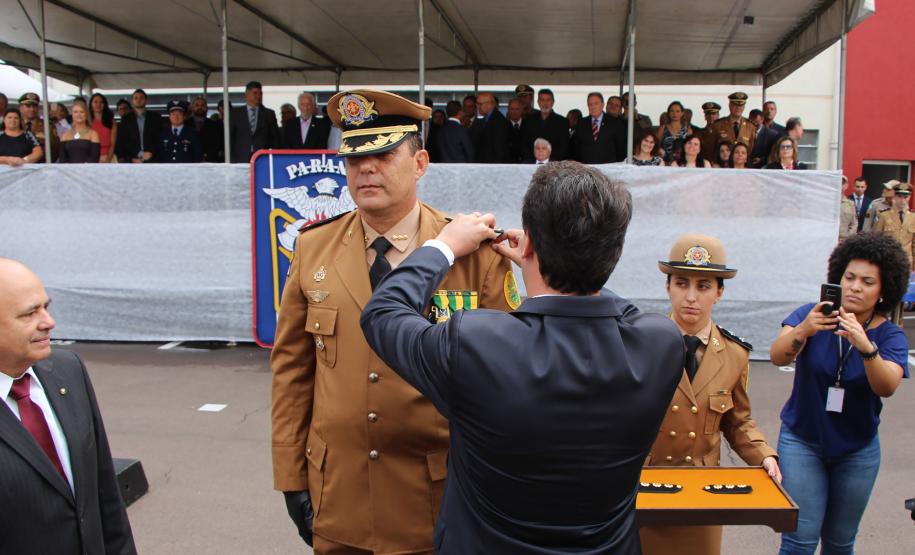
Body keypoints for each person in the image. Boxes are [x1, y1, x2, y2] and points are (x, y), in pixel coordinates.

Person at [360, 161, 685, 553]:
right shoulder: (661, 345)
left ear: (529, 243)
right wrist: (563, 265)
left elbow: (383, 313)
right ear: (613, 251)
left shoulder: (478, 346)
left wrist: (443, 246)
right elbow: (617, 308)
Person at [271, 89, 514, 554]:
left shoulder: (473, 253)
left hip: (437, 498)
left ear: (420, 162)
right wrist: (290, 475)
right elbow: (292, 372)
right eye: (353, 158)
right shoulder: (311, 249)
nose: (365, 168)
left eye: (382, 154)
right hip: (338, 497)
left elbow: (507, 381)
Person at [769, 232, 909, 555]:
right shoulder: (813, 314)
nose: (855, 287)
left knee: (839, 543)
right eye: (850, 277)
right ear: (838, 277)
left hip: (857, 452)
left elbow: (886, 386)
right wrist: (805, 329)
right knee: (798, 542)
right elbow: (778, 356)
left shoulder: (889, 336)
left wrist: (866, 348)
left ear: (883, 289)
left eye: (867, 281)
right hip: (803, 441)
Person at [641, 234, 780, 555]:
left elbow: (738, 422)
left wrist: (765, 456)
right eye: (681, 283)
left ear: (719, 292)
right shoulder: (641, 343)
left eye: (703, 286)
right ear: (667, 287)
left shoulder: (734, 355)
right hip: (648, 485)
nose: (691, 296)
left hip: (702, 491)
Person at [0, 258, 137, 555]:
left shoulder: (68, 370)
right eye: (29, 314)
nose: (48, 321)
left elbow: (106, 498)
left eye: (46, 306)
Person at [229, 81, 280, 162]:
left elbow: (275, 138)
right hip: (240, 158)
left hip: (262, 157)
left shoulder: (269, 114)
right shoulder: (235, 114)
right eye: (255, 93)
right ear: (247, 94)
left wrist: (272, 156)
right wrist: (231, 158)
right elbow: (230, 137)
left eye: (260, 93)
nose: (258, 96)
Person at [873, 182, 915, 269]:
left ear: (909, 197)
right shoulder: (884, 216)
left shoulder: (913, 217)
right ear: (895, 196)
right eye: (899, 196)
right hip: (888, 260)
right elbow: (876, 239)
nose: (902, 200)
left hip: (906, 262)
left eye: (905, 197)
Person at [573, 91, 623, 164]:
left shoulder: (615, 123)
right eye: (590, 104)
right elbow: (576, 148)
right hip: (586, 168)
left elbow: (621, 149)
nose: (593, 107)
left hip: (608, 169)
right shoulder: (581, 123)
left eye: (596, 103)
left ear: (602, 104)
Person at [521, 88, 569, 161]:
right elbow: (523, 144)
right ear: (538, 102)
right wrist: (534, 160)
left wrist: (548, 161)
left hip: (553, 165)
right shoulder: (528, 120)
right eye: (542, 100)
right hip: (531, 163)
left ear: (553, 102)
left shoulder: (562, 122)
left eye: (548, 100)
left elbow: (564, 147)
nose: (545, 103)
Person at [115, 89, 161, 163]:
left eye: (141, 98)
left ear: (146, 100)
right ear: (132, 101)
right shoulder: (126, 119)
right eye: (136, 98)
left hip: (152, 158)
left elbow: (159, 138)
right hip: (133, 159)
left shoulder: (156, 118)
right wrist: (138, 154)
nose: (138, 100)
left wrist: (150, 153)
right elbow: (123, 141)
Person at [469, 92, 511, 163]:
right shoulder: (487, 119)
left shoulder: (499, 121)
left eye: (480, 104)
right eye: (477, 104)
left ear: (490, 104)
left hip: (493, 166)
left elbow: (500, 150)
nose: (477, 107)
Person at [18, 92, 59, 162]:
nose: (32, 109)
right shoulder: (15, 124)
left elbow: (56, 150)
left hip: (41, 166)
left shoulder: (47, 126)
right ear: (21, 108)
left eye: (34, 106)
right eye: (28, 106)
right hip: (18, 165)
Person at [711, 92, 755, 156]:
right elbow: (712, 149)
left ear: (744, 107)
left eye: (741, 105)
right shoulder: (718, 125)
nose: (738, 108)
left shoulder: (750, 126)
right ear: (729, 105)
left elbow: (750, 149)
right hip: (723, 165)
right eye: (735, 105)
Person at [58, 98, 100, 163]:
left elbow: (95, 157)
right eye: (75, 112)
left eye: (81, 112)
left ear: (86, 114)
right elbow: (62, 158)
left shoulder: (93, 134)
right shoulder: (65, 135)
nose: (78, 115)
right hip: (68, 171)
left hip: (87, 170)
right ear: (72, 115)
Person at [188, 96, 223, 162]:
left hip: (210, 162)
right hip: (190, 161)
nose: (200, 107)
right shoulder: (186, 124)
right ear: (192, 108)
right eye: (197, 105)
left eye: (202, 105)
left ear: (207, 108)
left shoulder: (214, 125)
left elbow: (218, 145)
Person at [89, 93, 117, 163]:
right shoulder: (87, 122)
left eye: (101, 102)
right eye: (95, 102)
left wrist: (107, 161)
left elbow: (112, 145)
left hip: (109, 158)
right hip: (91, 158)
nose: (98, 104)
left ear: (105, 104)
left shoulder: (111, 122)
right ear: (91, 104)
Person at [507, 98, 525, 163]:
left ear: (522, 110)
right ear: (508, 110)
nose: (514, 112)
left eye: (517, 109)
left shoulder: (529, 125)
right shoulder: (503, 126)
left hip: (525, 163)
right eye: (512, 109)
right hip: (509, 163)